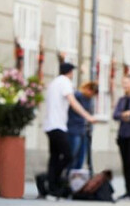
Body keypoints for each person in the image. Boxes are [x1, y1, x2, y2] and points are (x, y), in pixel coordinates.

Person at [43, 63, 99, 197]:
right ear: (69, 72)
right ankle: (54, 181)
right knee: (68, 155)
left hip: (49, 125)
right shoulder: (65, 82)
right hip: (58, 125)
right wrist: (88, 117)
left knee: (55, 157)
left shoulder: (54, 83)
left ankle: (52, 187)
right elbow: (73, 102)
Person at [113, 75, 130, 201]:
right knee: (125, 163)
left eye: (127, 83)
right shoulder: (122, 100)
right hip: (123, 134)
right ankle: (127, 190)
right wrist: (124, 115)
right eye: (123, 83)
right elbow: (116, 114)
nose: (125, 85)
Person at [68, 81, 98, 170]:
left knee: (81, 157)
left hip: (83, 131)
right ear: (88, 89)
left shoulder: (89, 100)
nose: (91, 95)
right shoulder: (77, 96)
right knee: (72, 155)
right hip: (73, 129)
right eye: (91, 93)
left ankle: (76, 178)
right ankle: (68, 177)